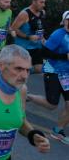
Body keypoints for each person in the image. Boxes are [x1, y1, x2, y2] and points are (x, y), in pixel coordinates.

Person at [26, 10, 69, 144]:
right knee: (52, 105)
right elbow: (44, 52)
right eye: (68, 20)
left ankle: (58, 131)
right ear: (64, 21)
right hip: (53, 71)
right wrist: (64, 57)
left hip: (66, 75)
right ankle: (28, 96)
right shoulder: (59, 34)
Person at [11, 0, 46, 74]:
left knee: (39, 69)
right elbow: (13, 28)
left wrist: (43, 38)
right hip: (24, 47)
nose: (43, 5)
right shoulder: (25, 14)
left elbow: (40, 27)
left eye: (44, 2)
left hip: (36, 46)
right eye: (41, 2)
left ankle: (22, 70)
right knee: (22, 71)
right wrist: (28, 37)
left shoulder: (42, 13)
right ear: (34, 1)